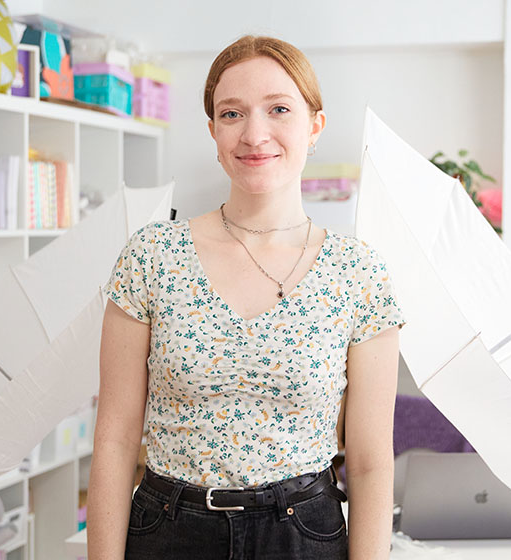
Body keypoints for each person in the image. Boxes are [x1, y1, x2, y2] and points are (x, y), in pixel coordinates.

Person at [88, 35, 405, 560]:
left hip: (304, 531)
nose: (254, 134)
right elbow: (116, 441)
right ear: (213, 133)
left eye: (279, 109)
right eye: (231, 113)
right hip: (170, 530)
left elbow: (371, 462)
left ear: (315, 126)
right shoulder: (152, 256)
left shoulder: (359, 273)